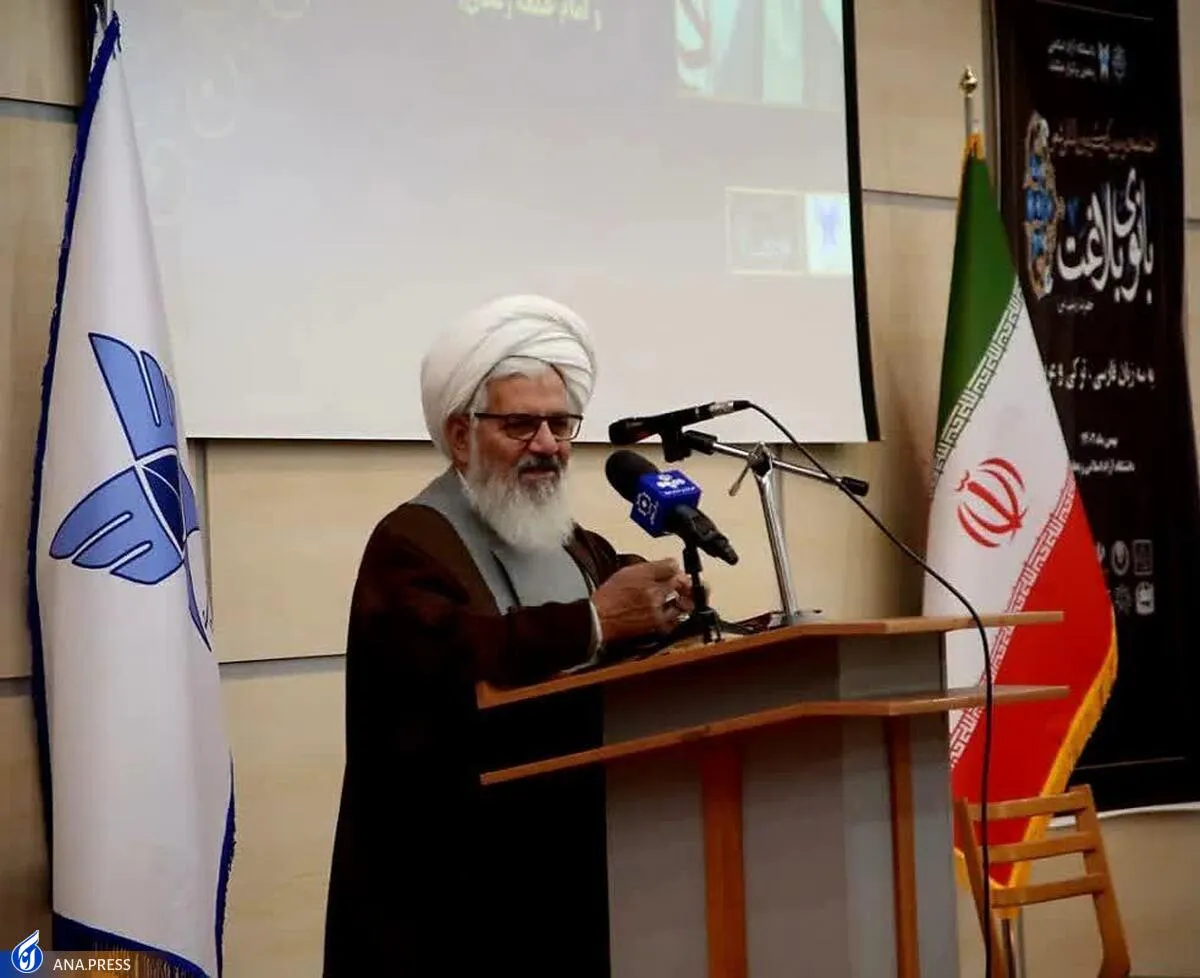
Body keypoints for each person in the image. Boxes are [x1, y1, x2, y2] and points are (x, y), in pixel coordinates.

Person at [322, 295, 694, 977]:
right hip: (449, 894)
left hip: (573, 872)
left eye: (560, 424)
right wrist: (595, 622)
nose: (548, 445)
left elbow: (624, 605)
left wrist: (668, 605)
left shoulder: (577, 544)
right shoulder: (411, 543)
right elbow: (449, 663)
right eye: (521, 425)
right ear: (461, 435)